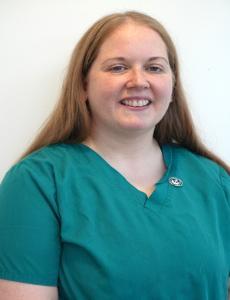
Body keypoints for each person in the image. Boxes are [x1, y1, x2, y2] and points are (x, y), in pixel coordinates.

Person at [0, 10, 229, 300]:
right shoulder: (38, 182)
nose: (139, 80)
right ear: (83, 85)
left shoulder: (214, 180)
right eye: (118, 67)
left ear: (172, 87)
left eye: (155, 68)